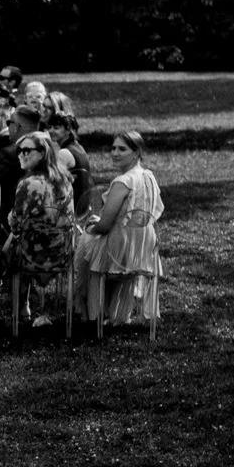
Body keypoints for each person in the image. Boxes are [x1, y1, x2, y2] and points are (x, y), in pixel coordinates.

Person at [75, 128, 164, 328]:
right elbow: (152, 212)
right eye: (113, 148)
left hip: (119, 251)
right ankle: (109, 311)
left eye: (122, 149)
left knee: (86, 247)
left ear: (137, 152)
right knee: (91, 243)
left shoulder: (123, 181)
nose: (115, 153)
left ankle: (93, 314)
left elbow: (105, 226)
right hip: (145, 247)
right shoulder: (149, 176)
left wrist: (90, 227)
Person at [4, 132, 77, 327]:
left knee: (8, 247)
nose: (21, 154)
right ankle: (39, 310)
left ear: (43, 153)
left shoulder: (29, 183)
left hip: (33, 255)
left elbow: (16, 222)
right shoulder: (65, 180)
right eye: (19, 150)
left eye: (27, 150)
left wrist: (12, 219)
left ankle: (20, 307)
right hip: (62, 252)